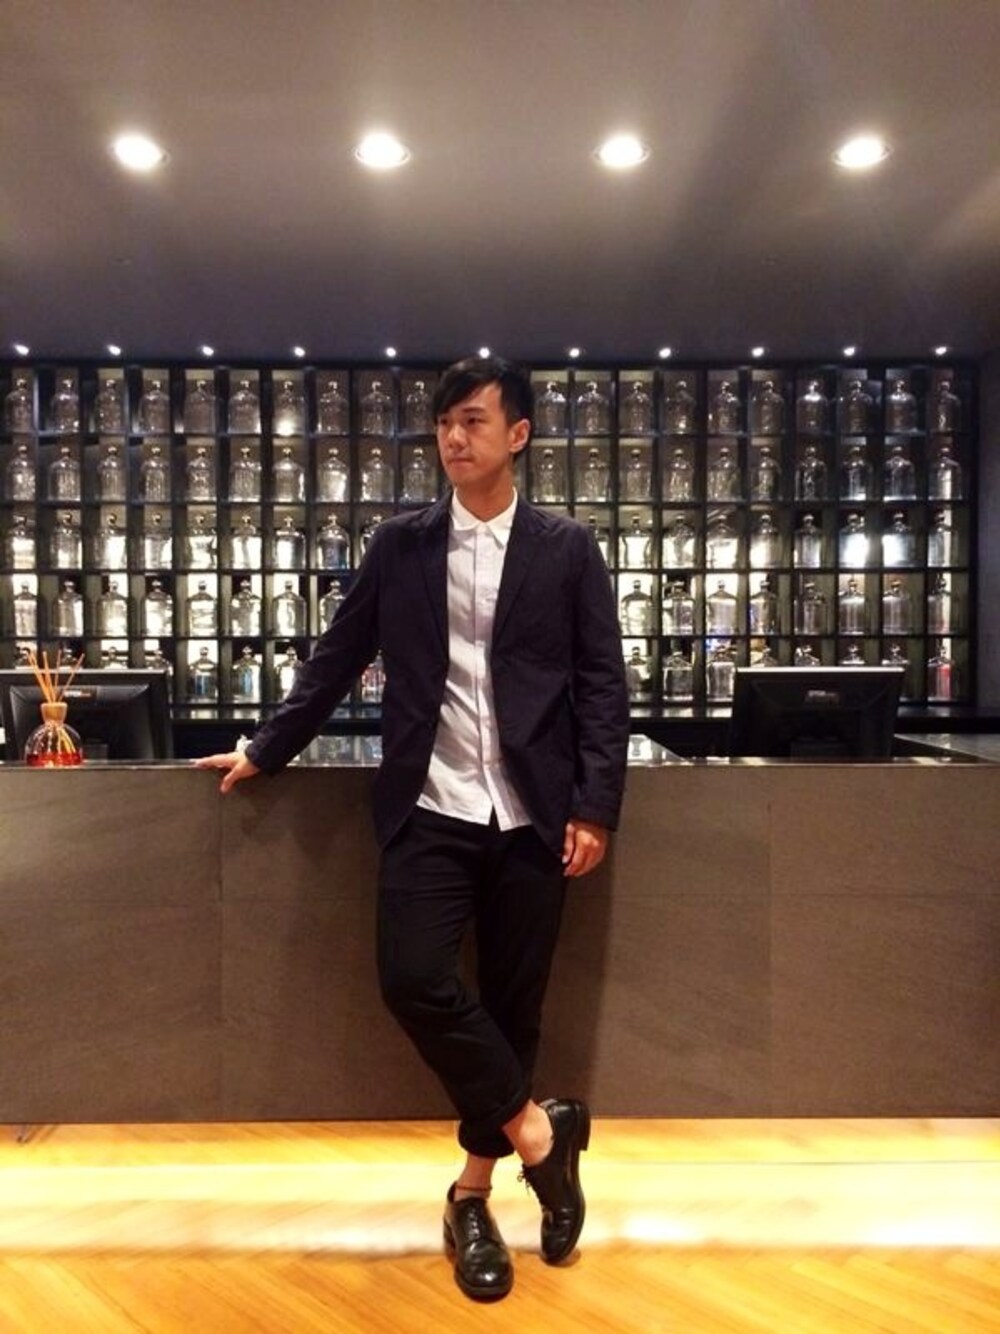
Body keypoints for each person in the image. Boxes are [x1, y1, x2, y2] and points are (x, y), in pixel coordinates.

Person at [195, 355, 629, 1301]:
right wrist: (266, 747)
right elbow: (337, 655)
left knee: (513, 1010)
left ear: (518, 435)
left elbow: (604, 683)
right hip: (429, 809)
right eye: (444, 423)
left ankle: (471, 1197)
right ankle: (543, 1135)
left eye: (473, 421)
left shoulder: (567, 549)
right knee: (413, 978)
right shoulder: (401, 546)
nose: (453, 438)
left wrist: (596, 804)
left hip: (532, 817)